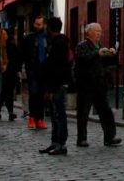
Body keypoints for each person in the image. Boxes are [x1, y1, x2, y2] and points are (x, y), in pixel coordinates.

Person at [74, 22, 121, 147]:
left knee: (106, 111)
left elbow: (110, 64)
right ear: (89, 33)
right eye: (96, 31)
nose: (99, 34)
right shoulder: (82, 46)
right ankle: (81, 139)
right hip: (86, 84)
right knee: (83, 113)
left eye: (100, 32)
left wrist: (112, 54)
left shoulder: (100, 46)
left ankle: (110, 137)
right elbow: (83, 59)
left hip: (99, 84)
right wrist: (97, 53)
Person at [38, 17, 73, 155]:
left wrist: (51, 89)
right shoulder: (56, 42)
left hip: (57, 84)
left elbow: (56, 68)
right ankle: (55, 142)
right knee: (54, 114)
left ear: (50, 28)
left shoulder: (59, 44)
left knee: (59, 114)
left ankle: (61, 144)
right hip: (56, 83)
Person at [21, 14, 48, 130]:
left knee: (41, 95)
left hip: (44, 71)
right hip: (32, 70)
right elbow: (23, 53)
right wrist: (22, 68)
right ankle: (32, 117)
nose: (37, 26)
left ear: (44, 25)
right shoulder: (29, 38)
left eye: (39, 24)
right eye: (36, 24)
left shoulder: (47, 38)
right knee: (33, 93)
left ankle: (40, 118)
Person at [1, 27, 23, 121]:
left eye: (5, 34)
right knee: (0, 93)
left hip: (11, 73)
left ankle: (10, 112)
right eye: (2, 34)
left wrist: (18, 70)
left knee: (9, 93)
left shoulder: (12, 46)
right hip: (1, 72)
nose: (3, 36)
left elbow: (18, 59)